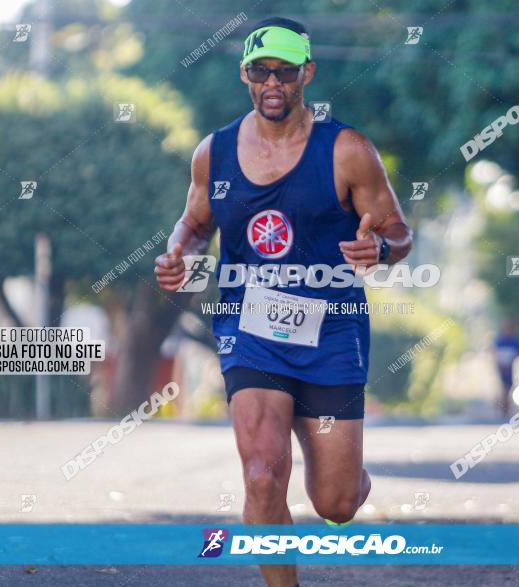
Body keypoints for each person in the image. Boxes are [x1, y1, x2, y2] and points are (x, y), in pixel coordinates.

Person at [154, 17, 412, 587]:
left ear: (307, 74)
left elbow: (399, 230)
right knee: (263, 477)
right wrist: (179, 253)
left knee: (336, 503)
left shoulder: (348, 150)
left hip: (331, 331)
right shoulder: (214, 153)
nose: (272, 82)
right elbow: (195, 224)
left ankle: (345, 472)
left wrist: (382, 248)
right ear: (245, 74)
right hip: (250, 329)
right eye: (259, 70)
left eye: (285, 71)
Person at [493, 319, 519, 418]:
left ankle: (505, 408)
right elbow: (494, 351)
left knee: (508, 388)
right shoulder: (500, 340)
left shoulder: (515, 340)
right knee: (504, 387)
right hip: (501, 368)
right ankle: (503, 408)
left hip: (512, 368)